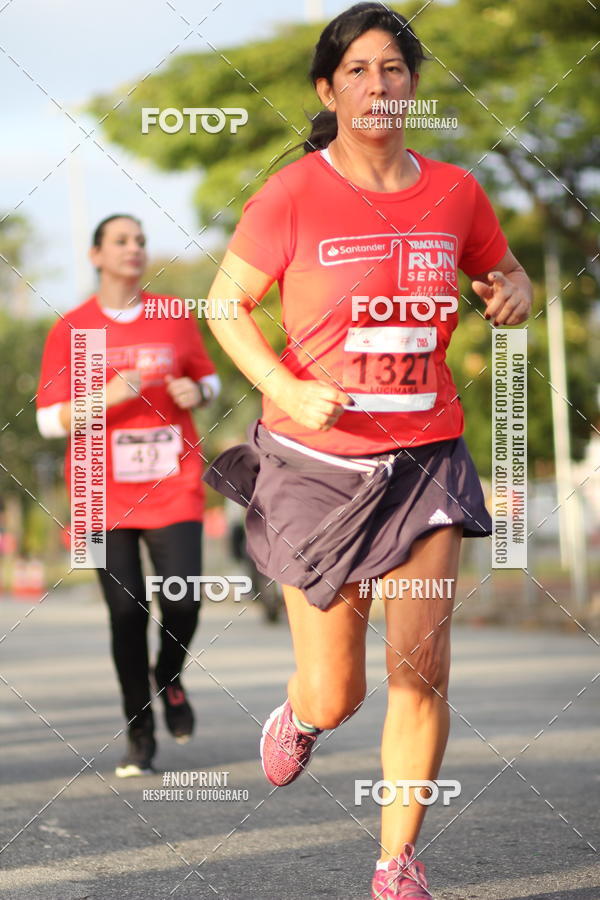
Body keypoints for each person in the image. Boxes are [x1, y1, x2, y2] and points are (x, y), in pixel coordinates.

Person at [203, 3, 532, 897]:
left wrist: (517, 290)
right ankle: (305, 718)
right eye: (357, 70)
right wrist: (285, 387)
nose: (378, 85)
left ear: (412, 86)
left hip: (426, 457)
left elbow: (501, 273)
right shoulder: (292, 194)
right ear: (329, 88)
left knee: (418, 669)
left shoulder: (458, 191)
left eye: (393, 69)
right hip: (317, 467)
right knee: (337, 690)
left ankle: (396, 863)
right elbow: (222, 306)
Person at [36, 214, 220, 777]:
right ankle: (139, 735)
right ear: (96, 255)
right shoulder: (72, 328)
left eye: (140, 240)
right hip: (98, 489)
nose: (134, 249)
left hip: (173, 480)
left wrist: (198, 389)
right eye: (121, 241)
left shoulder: (173, 315)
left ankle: (170, 675)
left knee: (184, 601)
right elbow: (48, 421)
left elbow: (207, 379)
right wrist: (109, 396)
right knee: (125, 612)